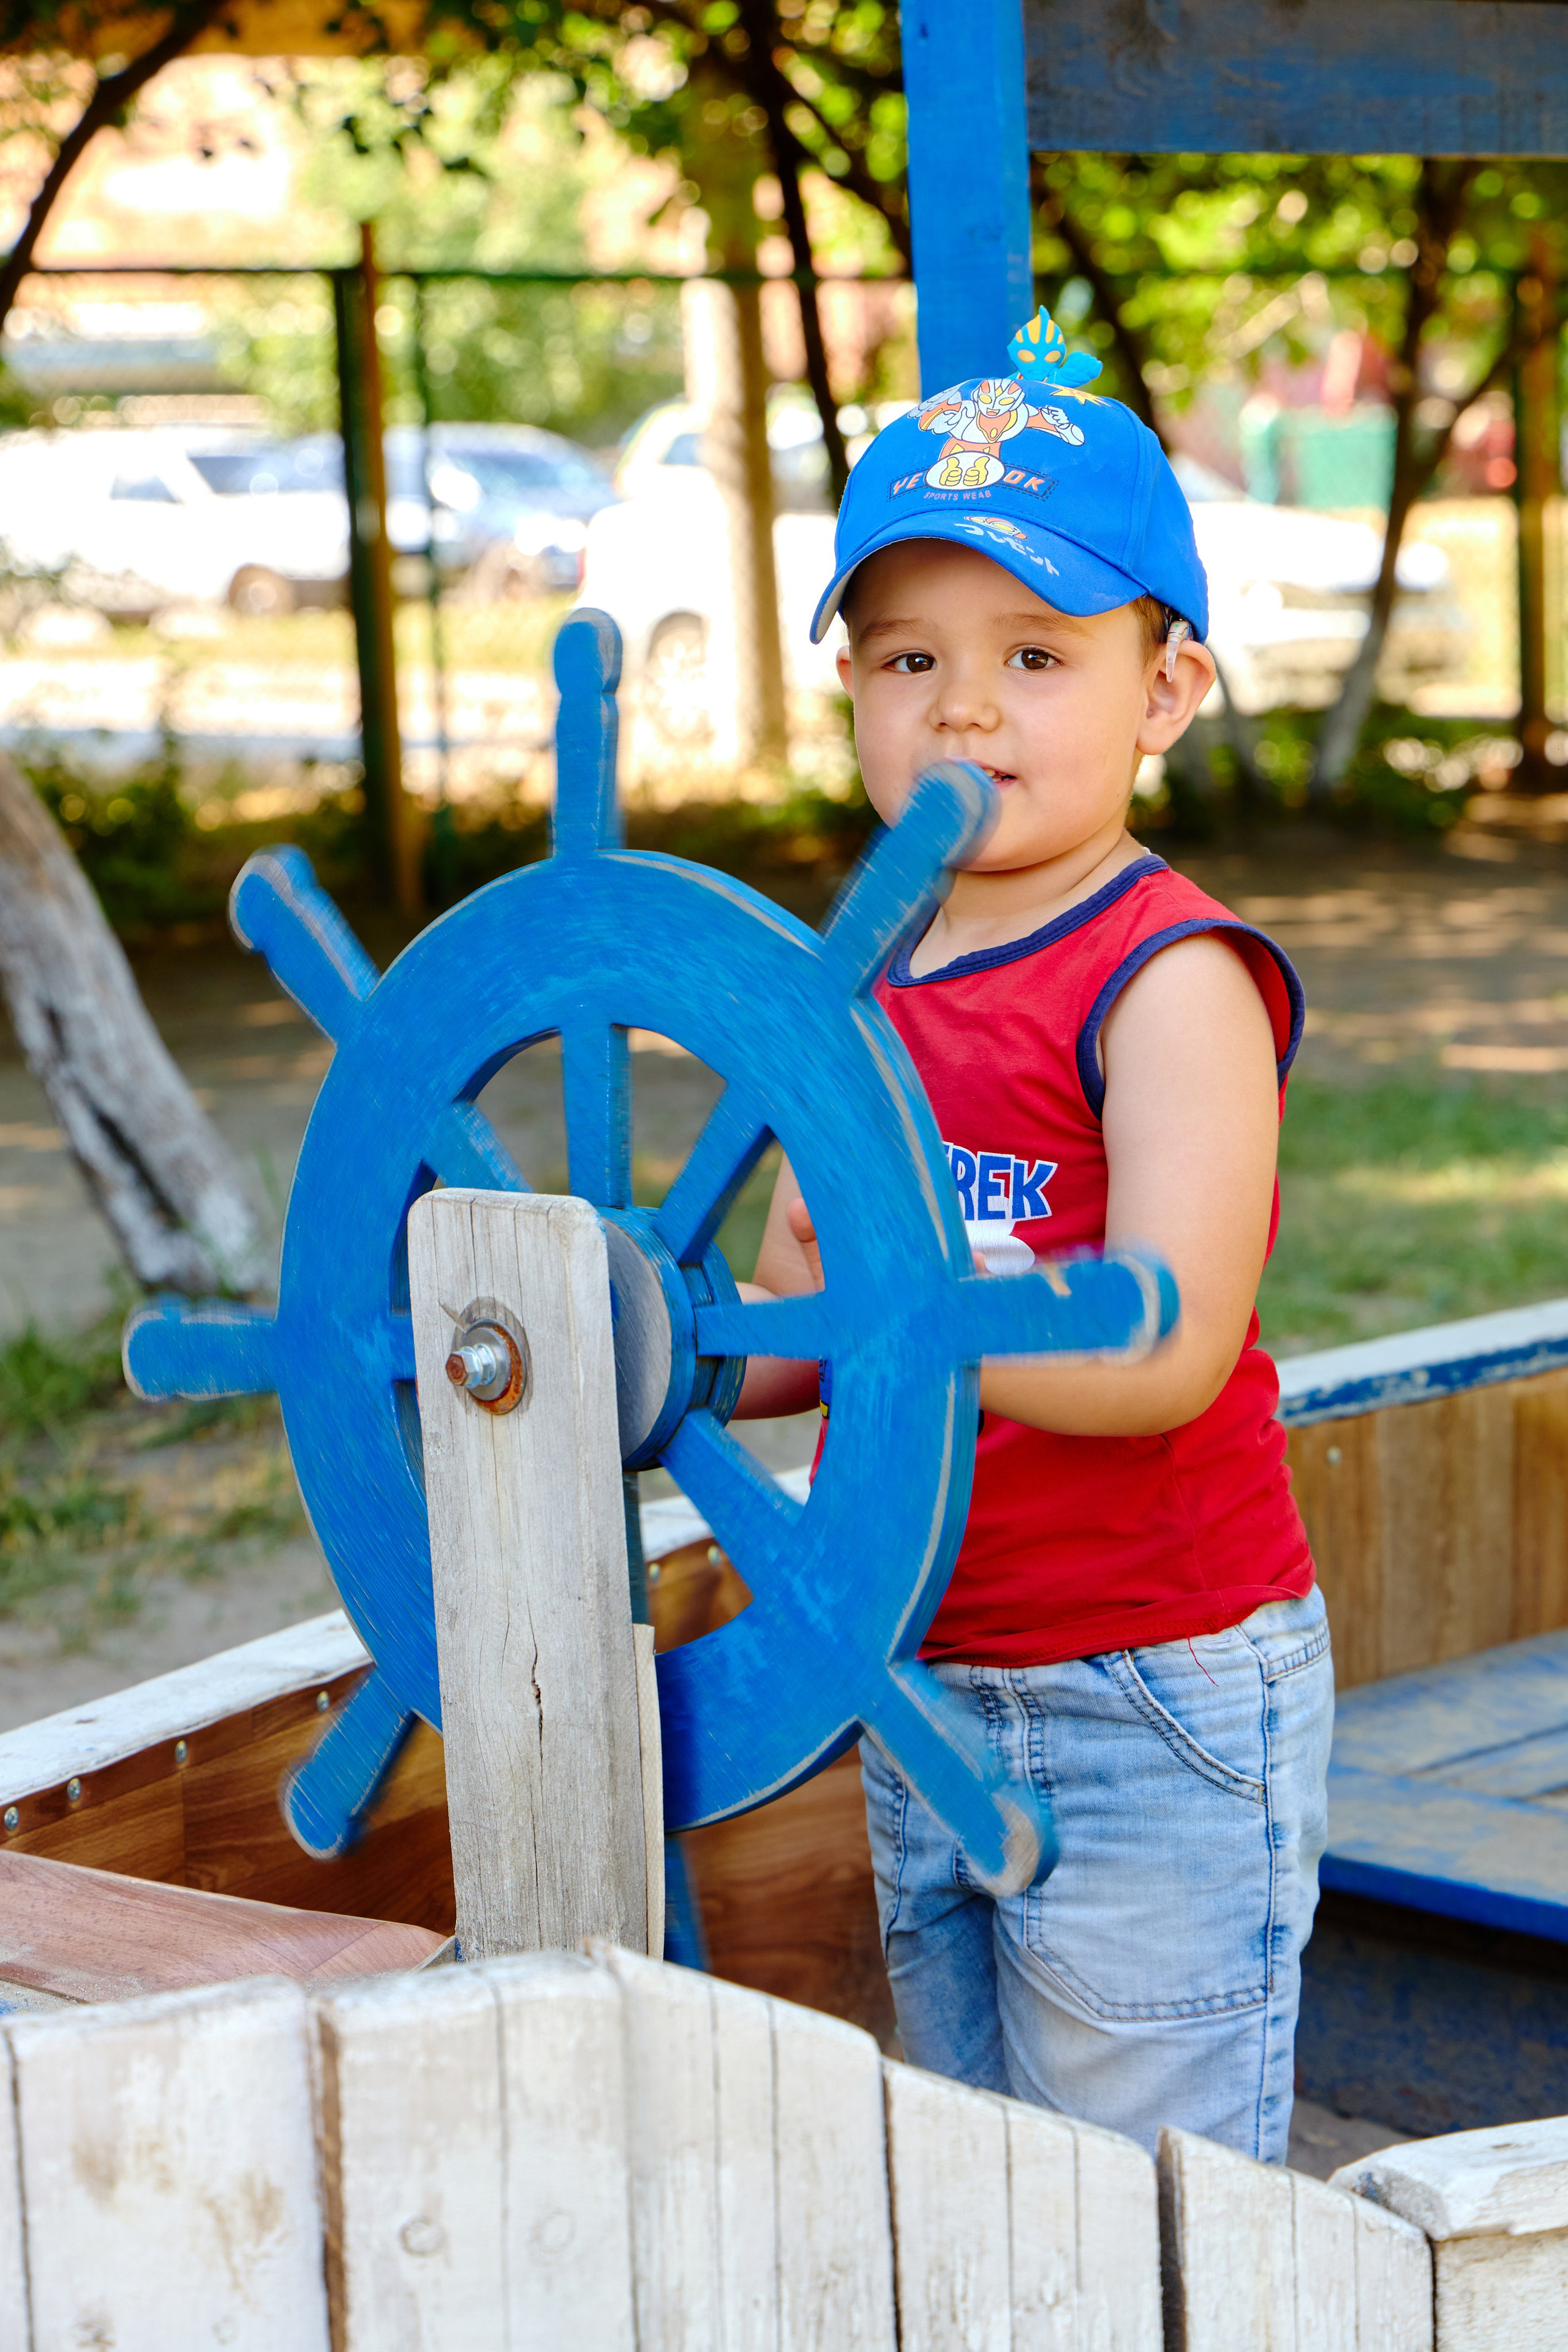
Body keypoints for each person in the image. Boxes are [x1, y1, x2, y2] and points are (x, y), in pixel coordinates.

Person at [730, 306, 1331, 2165]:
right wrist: (623, 1332)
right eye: (907, 656)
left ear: (1167, 688)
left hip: (1149, 1689)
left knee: (1149, 2206)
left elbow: (1163, 1349)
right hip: (914, 1670)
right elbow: (790, 1325)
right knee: (980, 2177)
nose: (964, 708)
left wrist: (916, 1307)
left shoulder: (1170, 979)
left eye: (1038, 654)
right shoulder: (854, 985)